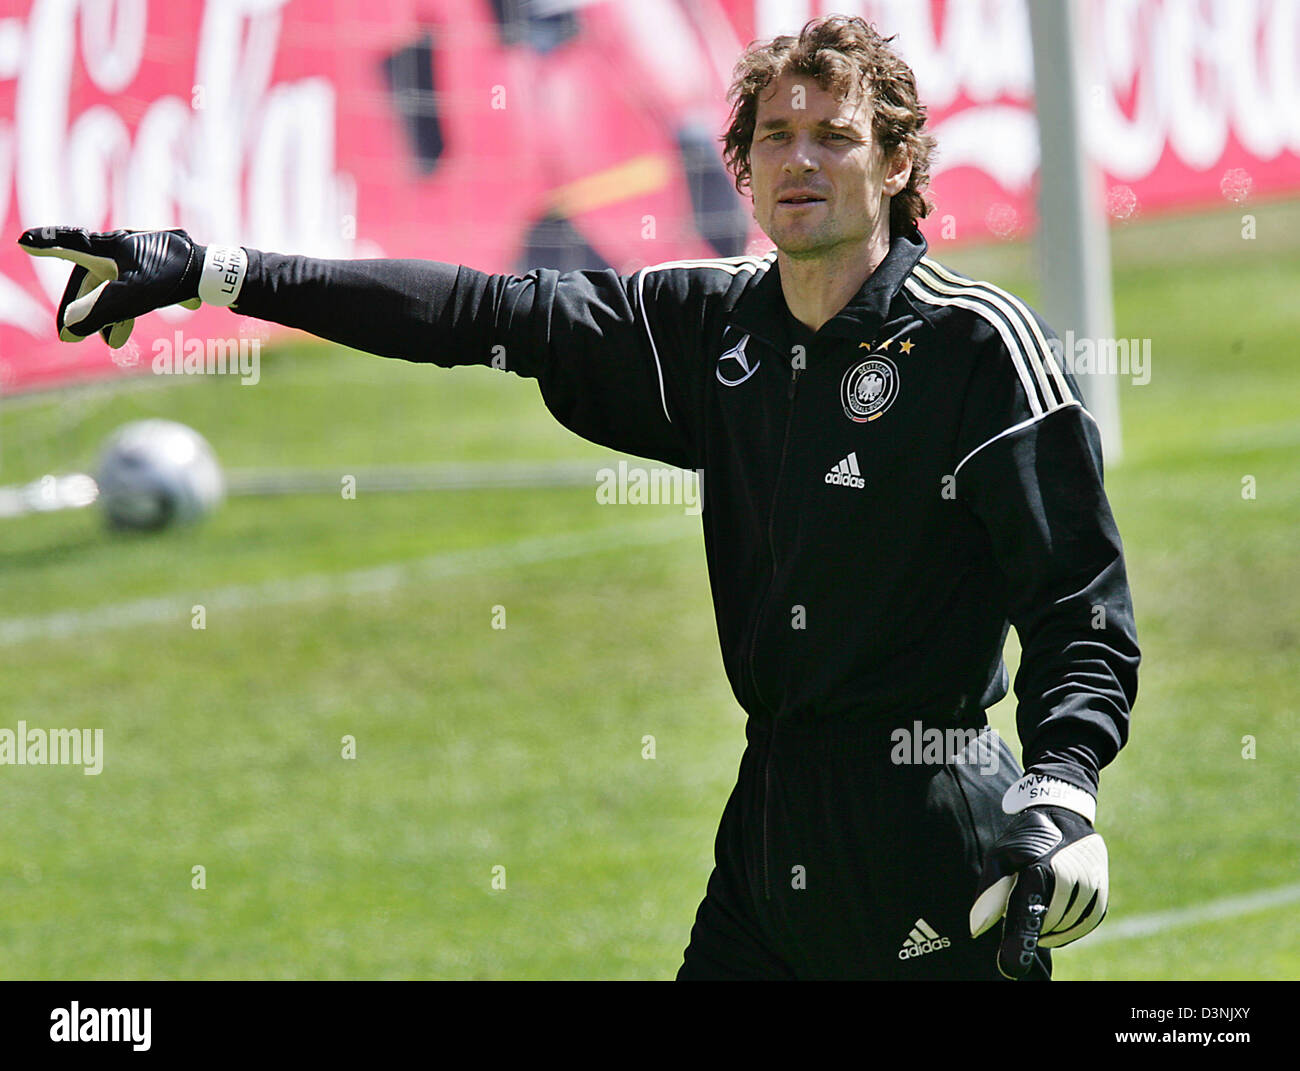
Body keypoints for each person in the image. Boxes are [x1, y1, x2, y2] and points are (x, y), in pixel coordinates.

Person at [19, 14, 1138, 980]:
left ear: (895, 164)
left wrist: (1066, 786)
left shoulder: (974, 346)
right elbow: (470, 312)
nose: (801, 161)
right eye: (775, 137)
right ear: (739, 170)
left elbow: (1075, 598)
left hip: (929, 833)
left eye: (834, 136)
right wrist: (216, 271)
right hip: (768, 827)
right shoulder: (710, 327)